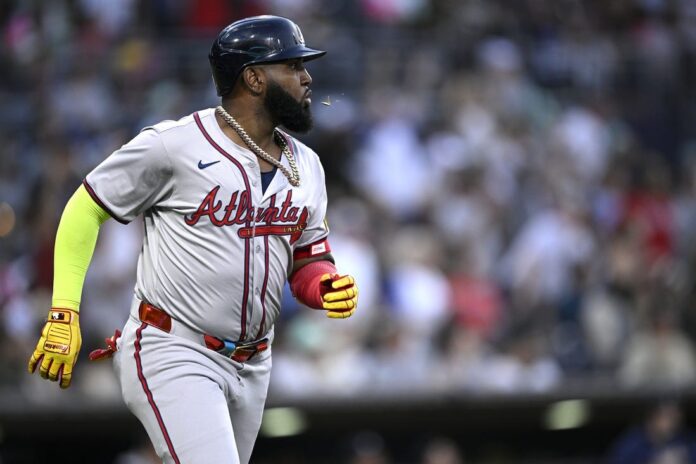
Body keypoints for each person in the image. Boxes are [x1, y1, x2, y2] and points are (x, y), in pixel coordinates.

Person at [27, 15, 358, 464]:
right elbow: (85, 208)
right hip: (174, 346)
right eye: (293, 66)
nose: (307, 77)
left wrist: (323, 284)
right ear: (254, 78)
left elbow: (308, 256)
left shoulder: (307, 166)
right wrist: (64, 310)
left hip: (254, 363)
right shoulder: (175, 145)